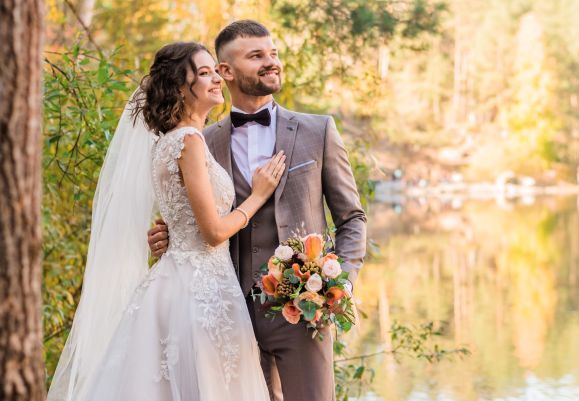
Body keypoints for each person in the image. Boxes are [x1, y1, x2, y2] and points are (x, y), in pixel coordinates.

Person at [47, 41, 285, 401]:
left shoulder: (169, 142)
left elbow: (182, 217)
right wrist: (258, 195)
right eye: (203, 73)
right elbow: (212, 232)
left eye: (214, 70)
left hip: (179, 281)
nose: (216, 79)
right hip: (201, 290)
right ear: (179, 87)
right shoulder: (189, 141)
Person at [149, 20, 367, 401]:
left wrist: (339, 284)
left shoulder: (319, 131)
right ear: (225, 71)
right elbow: (195, 215)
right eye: (257, 56)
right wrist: (167, 235)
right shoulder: (201, 138)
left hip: (301, 311)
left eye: (273, 53)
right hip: (224, 311)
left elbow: (352, 218)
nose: (271, 62)